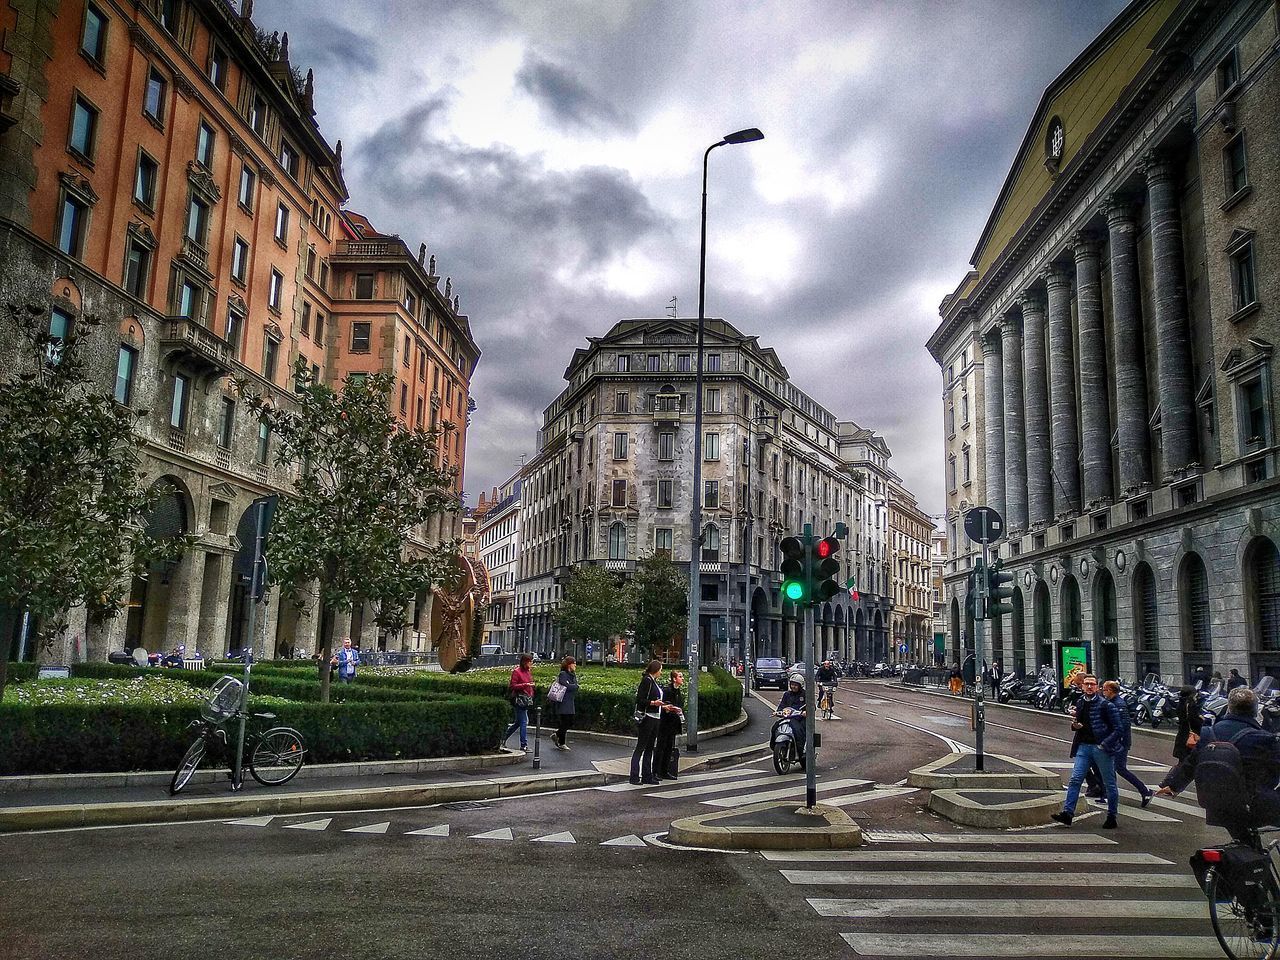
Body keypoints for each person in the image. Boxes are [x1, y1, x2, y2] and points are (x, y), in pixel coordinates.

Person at [1157, 687, 1280, 841]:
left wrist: (1173, 786)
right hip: (1252, 804)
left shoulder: (1208, 732)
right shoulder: (1265, 739)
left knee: (1244, 839)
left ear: (1229, 707)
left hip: (1215, 805)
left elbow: (1191, 763)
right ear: (1255, 711)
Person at [1051, 675, 1123, 829]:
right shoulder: (1080, 702)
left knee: (1109, 783)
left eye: (1092, 684)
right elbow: (1080, 724)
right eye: (1087, 684)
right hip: (1083, 747)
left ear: (1097, 687)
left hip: (1101, 748)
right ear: (1082, 686)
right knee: (1075, 779)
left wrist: (1104, 745)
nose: (1089, 687)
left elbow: (1118, 729)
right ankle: (1068, 813)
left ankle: (1112, 816)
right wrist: (1075, 725)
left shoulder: (1106, 705)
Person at [1103, 680, 1153, 807]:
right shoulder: (1113, 702)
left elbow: (1124, 725)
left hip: (1120, 742)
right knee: (1119, 769)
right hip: (1118, 742)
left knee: (1114, 769)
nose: (1102, 692)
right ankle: (1144, 791)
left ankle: (1111, 796)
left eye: (1104, 689)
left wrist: (1117, 740)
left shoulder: (1119, 704)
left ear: (1110, 691)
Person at [630, 659, 665, 785]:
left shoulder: (653, 681)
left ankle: (647, 776)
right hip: (648, 717)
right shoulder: (647, 681)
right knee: (641, 747)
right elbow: (640, 700)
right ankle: (634, 776)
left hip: (655, 717)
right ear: (656, 670)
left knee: (650, 747)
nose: (661, 672)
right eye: (660, 669)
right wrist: (653, 703)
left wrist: (662, 706)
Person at [654, 670, 685, 780]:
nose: (682, 679)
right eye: (680, 676)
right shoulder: (667, 690)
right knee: (661, 747)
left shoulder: (678, 691)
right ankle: (656, 771)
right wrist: (668, 708)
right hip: (664, 723)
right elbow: (660, 705)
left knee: (669, 748)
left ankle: (665, 771)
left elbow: (679, 704)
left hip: (673, 724)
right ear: (674, 679)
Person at [503, 653, 535, 752]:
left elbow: (529, 683)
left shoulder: (527, 672)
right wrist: (526, 685)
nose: (532, 664)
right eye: (530, 662)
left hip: (526, 699)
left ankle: (502, 738)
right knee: (524, 722)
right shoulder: (517, 672)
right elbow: (513, 685)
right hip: (519, 699)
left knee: (518, 722)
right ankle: (523, 744)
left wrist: (531, 690)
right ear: (525, 662)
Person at [776, 673, 808, 761]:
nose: (793, 687)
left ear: (800, 685)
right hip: (788, 718)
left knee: (801, 731)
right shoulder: (787, 694)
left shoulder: (805, 694)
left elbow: (812, 706)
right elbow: (782, 705)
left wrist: (806, 712)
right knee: (775, 727)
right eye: (792, 684)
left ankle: (803, 751)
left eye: (795, 685)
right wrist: (778, 712)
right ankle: (775, 745)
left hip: (800, 719)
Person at [552, 656, 579, 751]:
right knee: (565, 721)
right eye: (574, 663)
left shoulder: (573, 674)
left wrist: (572, 686)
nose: (575, 665)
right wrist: (573, 686)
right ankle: (561, 742)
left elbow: (575, 685)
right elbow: (566, 686)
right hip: (563, 701)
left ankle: (557, 735)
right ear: (569, 664)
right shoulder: (563, 674)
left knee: (570, 721)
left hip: (570, 701)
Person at [1173, 685, 1200, 762]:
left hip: (1182, 735)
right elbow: (1194, 720)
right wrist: (1201, 720)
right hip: (1190, 736)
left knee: (1182, 761)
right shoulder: (1191, 705)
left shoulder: (1180, 704)